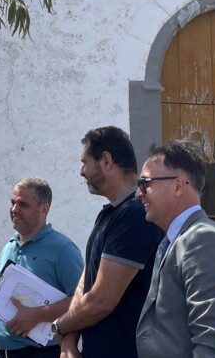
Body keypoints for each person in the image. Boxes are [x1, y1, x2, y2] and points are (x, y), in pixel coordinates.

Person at [135, 141, 215, 358]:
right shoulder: (181, 239)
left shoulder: (203, 240)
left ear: (178, 186)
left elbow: (213, 345)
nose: (138, 194)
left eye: (145, 183)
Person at [52, 127, 164, 358]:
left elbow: (102, 300)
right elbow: (86, 283)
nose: (81, 172)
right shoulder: (110, 215)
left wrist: (60, 327)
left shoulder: (135, 214)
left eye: (85, 162)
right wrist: (69, 340)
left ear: (106, 160)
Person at [0, 178, 84, 358]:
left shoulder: (62, 249)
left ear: (44, 209)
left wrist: (37, 315)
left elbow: (82, 299)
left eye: (23, 204)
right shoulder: (8, 248)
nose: (14, 209)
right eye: (13, 202)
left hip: (42, 353)